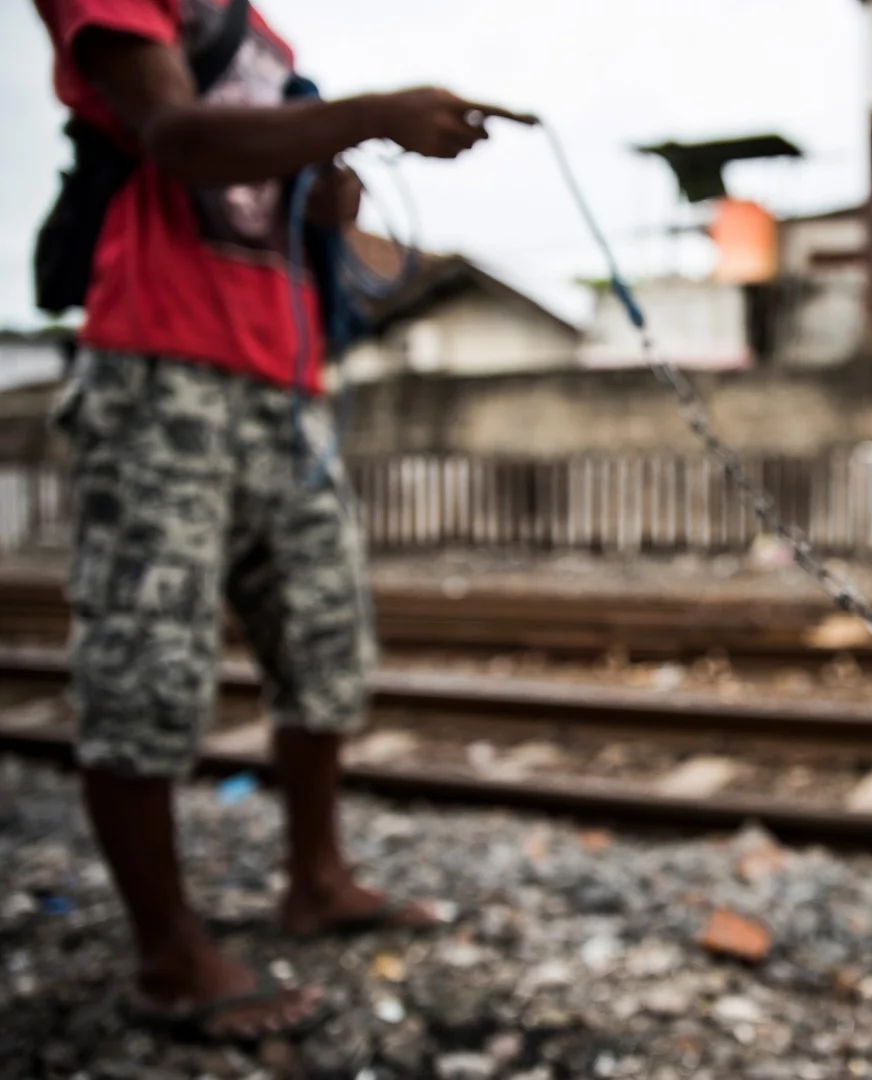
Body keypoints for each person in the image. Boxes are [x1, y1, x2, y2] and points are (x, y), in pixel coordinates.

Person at [32, 0, 535, 1043]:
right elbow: (177, 139)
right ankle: (169, 955)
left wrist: (327, 188)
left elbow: (272, 183)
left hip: (286, 384)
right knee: (145, 665)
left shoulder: (257, 31)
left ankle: (317, 879)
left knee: (324, 643)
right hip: (158, 366)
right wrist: (375, 115)